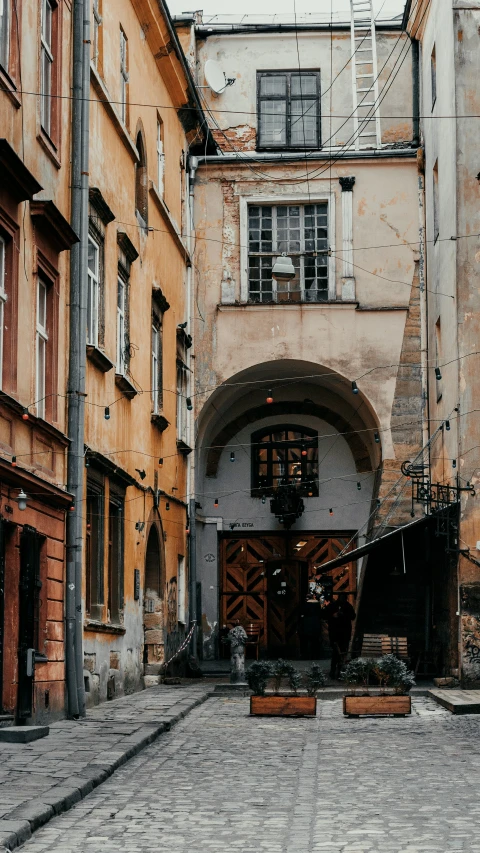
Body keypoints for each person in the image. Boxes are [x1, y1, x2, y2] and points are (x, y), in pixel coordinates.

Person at [324, 593, 356, 680]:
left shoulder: (333, 605)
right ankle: (338, 671)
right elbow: (353, 616)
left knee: (336, 653)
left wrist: (335, 616)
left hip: (336, 632)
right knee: (341, 652)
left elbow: (325, 615)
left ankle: (334, 671)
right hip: (343, 632)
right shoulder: (347, 606)